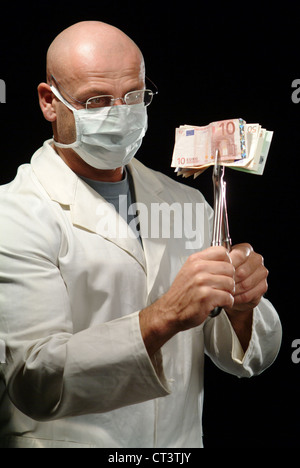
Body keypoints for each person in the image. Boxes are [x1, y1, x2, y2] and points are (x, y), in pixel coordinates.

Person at [0, 21, 281, 448]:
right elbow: (35, 379)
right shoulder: (14, 212)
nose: (120, 112)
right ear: (48, 102)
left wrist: (241, 307)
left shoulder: (184, 202)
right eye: (96, 100)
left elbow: (245, 362)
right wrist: (163, 316)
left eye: (133, 96)